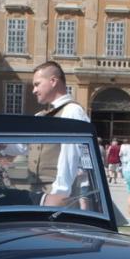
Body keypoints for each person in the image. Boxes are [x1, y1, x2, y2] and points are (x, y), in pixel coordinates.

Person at [30, 61, 91, 206]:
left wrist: (59, 194)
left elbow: (70, 156)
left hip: (56, 195)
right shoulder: (41, 115)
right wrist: (0, 144)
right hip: (37, 192)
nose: (34, 90)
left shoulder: (72, 111)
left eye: (37, 84)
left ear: (53, 81)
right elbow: (25, 146)